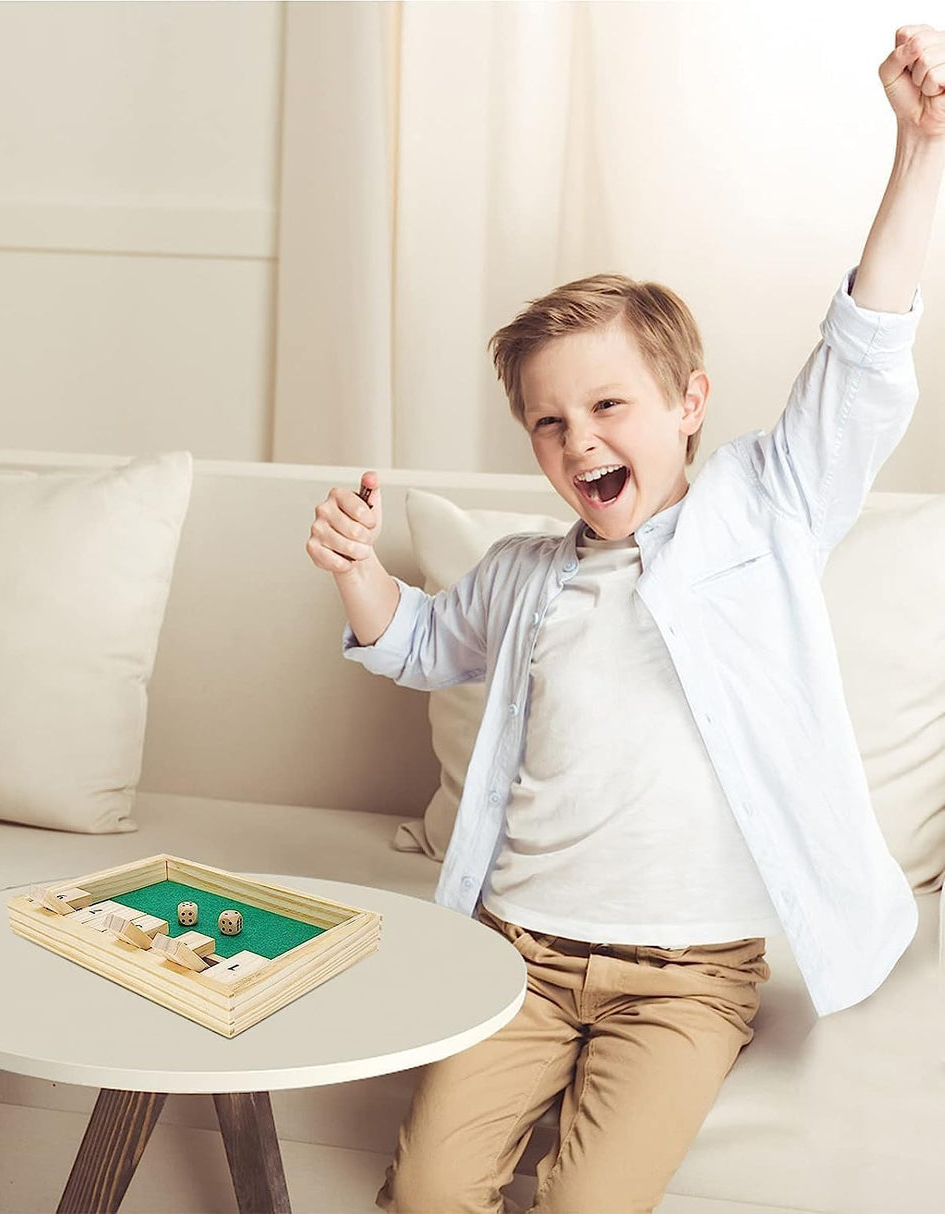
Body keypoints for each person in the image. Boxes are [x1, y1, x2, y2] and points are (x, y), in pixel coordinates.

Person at [306, 25, 945, 1214]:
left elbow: (860, 357)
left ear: (689, 402)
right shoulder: (525, 571)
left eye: (608, 403)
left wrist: (915, 151)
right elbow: (420, 641)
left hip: (686, 980)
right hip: (518, 957)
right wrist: (356, 572)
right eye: (548, 423)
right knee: (428, 1188)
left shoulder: (765, 508)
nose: (578, 439)